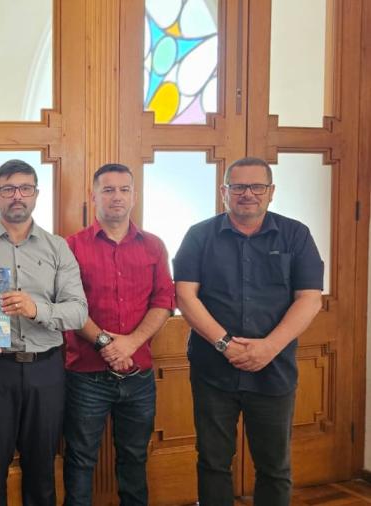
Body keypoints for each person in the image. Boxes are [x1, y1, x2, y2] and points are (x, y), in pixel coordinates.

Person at [174, 157, 324, 506]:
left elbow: (310, 298)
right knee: (213, 462)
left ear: (271, 191)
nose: (248, 194)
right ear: (223, 191)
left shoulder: (296, 235)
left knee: (274, 467)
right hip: (213, 371)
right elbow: (184, 295)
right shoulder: (199, 235)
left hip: (274, 370)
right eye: (239, 186)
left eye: (257, 186)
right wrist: (225, 344)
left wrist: (269, 347)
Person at [0, 159, 88, 506]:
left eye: (25, 188)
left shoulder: (57, 247)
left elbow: (78, 311)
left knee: (42, 467)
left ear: (36, 194)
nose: (17, 195)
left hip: (46, 369)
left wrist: (36, 309)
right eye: (8, 189)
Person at [62, 163, 174, 505]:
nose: (117, 197)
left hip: (138, 375)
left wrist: (131, 344)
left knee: (135, 456)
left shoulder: (154, 245)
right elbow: (68, 305)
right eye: (108, 190)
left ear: (134, 196)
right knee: (80, 458)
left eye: (124, 190)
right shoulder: (71, 247)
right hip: (86, 375)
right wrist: (106, 344)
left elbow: (164, 301)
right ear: (93, 196)